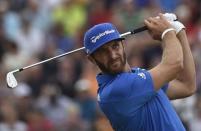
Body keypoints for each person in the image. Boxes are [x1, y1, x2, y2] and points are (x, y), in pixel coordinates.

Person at [83, 13, 196, 131]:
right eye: (103, 52)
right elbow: (174, 64)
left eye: (115, 46)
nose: (112, 55)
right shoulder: (115, 90)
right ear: (92, 59)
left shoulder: (138, 75)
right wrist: (167, 32)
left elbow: (187, 86)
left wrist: (180, 32)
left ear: (123, 44)